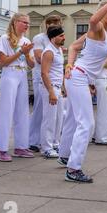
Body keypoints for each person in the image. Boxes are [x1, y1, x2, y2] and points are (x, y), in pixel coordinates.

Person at [58, 0, 107, 183]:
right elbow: (93, 19)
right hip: (79, 78)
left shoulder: (102, 33)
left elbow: (73, 46)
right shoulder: (99, 28)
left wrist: (69, 64)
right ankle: (73, 169)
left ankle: (64, 155)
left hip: (80, 77)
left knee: (72, 121)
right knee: (87, 124)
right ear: (104, 10)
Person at [0, 14, 35, 162]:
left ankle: (21, 146)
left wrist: (26, 55)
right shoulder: (5, 38)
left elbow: (32, 65)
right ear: (15, 22)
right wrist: (20, 52)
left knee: (22, 111)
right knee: (7, 111)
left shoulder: (26, 41)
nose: (27, 25)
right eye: (24, 22)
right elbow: (3, 62)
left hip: (22, 74)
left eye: (28, 23)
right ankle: (2, 149)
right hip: (9, 73)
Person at [29, 15, 62, 152]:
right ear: (46, 24)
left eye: (57, 23)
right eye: (51, 23)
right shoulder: (39, 38)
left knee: (55, 114)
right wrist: (51, 58)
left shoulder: (57, 43)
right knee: (39, 110)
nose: (54, 25)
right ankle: (34, 141)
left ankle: (52, 141)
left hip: (54, 79)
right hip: (41, 77)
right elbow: (38, 57)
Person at [40, 26, 65, 158]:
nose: (64, 38)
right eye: (61, 36)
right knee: (50, 118)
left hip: (58, 87)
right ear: (53, 37)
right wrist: (51, 92)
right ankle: (46, 148)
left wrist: (62, 88)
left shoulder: (58, 50)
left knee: (59, 118)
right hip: (50, 87)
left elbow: (60, 71)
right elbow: (44, 73)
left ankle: (55, 143)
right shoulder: (49, 52)